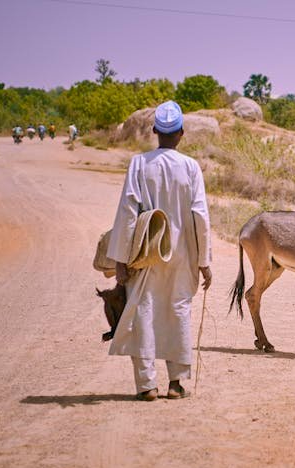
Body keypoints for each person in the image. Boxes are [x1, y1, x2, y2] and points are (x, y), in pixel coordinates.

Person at [106, 100, 212, 401]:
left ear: (155, 131)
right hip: (182, 255)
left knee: (143, 310)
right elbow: (200, 216)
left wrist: (121, 260)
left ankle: (146, 385)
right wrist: (204, 261)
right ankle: (176, 383)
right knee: (178, 312)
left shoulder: (139, 164)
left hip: (145, 253)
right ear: (181, 133)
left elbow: (128, 213)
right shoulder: (191, 168)